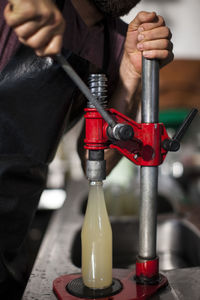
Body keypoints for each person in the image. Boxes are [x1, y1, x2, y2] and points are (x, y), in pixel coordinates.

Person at [0, 0, 173, 297]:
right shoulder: (22, 7)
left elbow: (98, 163)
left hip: (11, 225)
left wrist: (131, 77)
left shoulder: (116, 43)